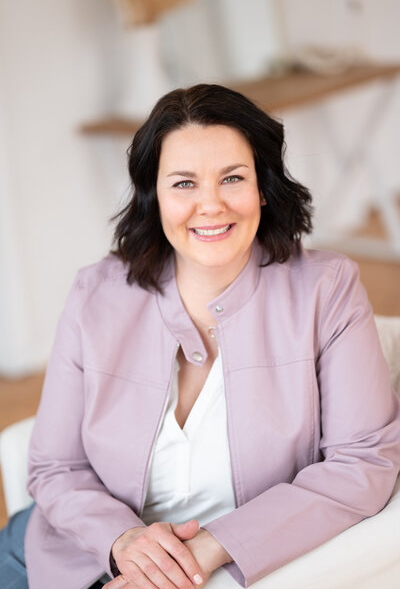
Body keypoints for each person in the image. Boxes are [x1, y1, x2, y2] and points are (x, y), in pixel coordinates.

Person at [1, 83, 400, 589]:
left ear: (263, 186)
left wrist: (205, 552)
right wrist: (125, 542)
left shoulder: (327, 289)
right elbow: (54, 466)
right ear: (155, 196)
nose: (210, 205)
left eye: (232, 177)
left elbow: (363, 463)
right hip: (65, 558)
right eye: (184, 183)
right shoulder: (94, 294)